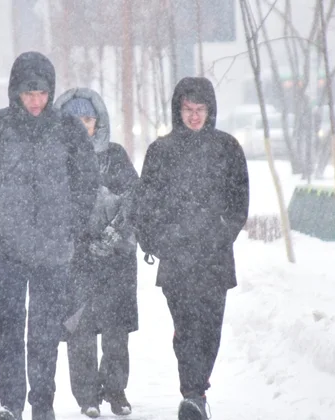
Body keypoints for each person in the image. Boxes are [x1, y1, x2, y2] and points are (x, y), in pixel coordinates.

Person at [0, 51, 99, 420]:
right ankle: (10, 404)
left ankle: (42, 404)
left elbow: (87, 182)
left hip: (54, 250)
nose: (36, 101)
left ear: (51, 93)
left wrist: (70, 223)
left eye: (42, 93)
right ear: (15, 92)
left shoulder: (67, 130)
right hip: (8, 248)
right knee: (8, 323)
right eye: (28, 93)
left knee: (44, 329)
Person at [133, 77, 249, 420]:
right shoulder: (161, 151)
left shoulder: (227, 149)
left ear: (210, 110)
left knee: (209, 327)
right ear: (177, 110)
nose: (195, 116)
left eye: (201, 109)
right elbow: (146, 202)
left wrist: (221, 233)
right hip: (176, 258)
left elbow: (239, 202)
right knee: (185, 327)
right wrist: (154, 239)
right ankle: (193, 393)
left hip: (214, 256)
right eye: (188, 109)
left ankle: (196, 390)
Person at [53, 88, 138, 419]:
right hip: (76, 259)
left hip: (116, 258)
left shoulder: (115, 156)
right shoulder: (56, 158)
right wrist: (78, 239)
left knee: (116, 331)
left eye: (87, 119)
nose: (81, 125)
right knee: (80, 329)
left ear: (97, 122)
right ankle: (87, 395)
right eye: (74, 119)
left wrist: (113, 234)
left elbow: (132, 197)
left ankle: (115, 390)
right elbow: (53, 207)